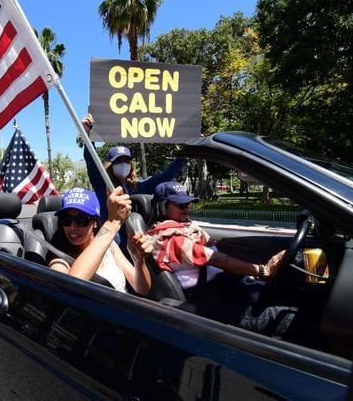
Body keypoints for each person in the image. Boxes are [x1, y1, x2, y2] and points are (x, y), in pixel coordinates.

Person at [147, 181, 298, 335]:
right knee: (282, 318)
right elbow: (214, 258)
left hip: (221, 285)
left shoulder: (184, 228)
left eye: (188, 204)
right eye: (181, 205)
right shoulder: (169, 237)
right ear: (163, 206)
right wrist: (262, 270)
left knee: (273, 292)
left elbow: (213, 247)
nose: (187, 209)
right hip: (206, 298)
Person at [81, 114, 187, 252]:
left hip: (137, 244)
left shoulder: (139, 186)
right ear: (110, 165)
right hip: (112, 244)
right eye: (118, 161)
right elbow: (92, 161)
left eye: (126, 160)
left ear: (131, 165)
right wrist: (87, 134)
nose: (123, 164)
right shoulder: (103, 185)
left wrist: (187, 152)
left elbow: (167, 174)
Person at [48, 187, 152, 295]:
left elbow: (142, 289)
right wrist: (113, 223)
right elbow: (71, 287)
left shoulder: (109, 246)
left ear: (95, 222)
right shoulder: (60, 261)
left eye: (81, 220)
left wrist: (139, 261)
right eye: (66, 220)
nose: (73, 227)